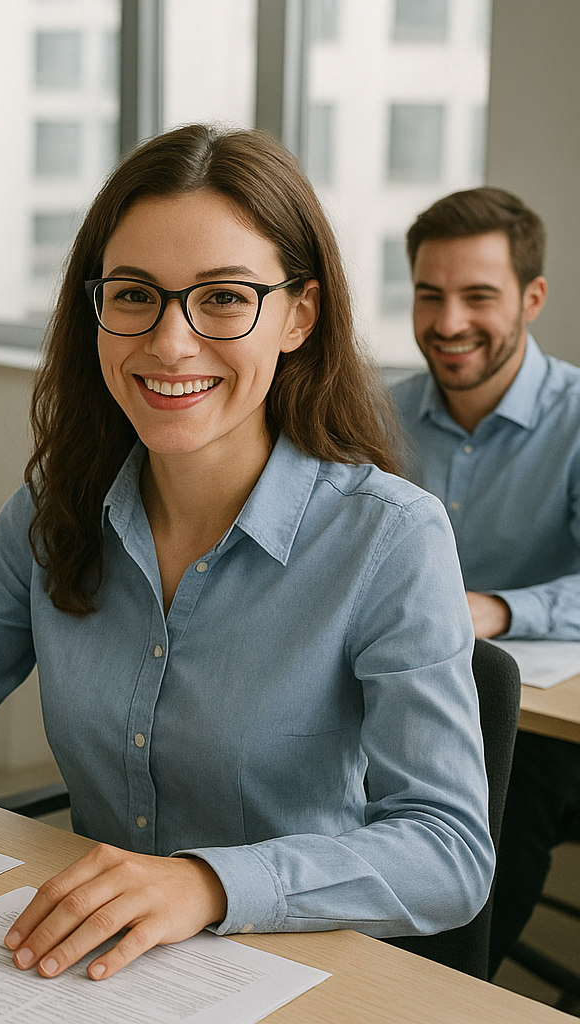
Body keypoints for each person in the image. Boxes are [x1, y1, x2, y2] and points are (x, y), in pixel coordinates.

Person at [0, 124, 493, 982]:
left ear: (298, 315)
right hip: (90, 967)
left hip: (293, 974)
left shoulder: (389, 539)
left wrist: (206, 884)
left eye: (225, 298)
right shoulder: (56, 510)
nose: (170, 342)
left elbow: (449, 851)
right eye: (135, 295)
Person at [386, 187, 576, 974]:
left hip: (539, 726)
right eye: (429, 295)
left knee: (507, 780)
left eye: (478, 296)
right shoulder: (375, 415)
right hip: (398, 693)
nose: (449, 321)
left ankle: (450, 993)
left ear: (532, 298)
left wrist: (495, 610)